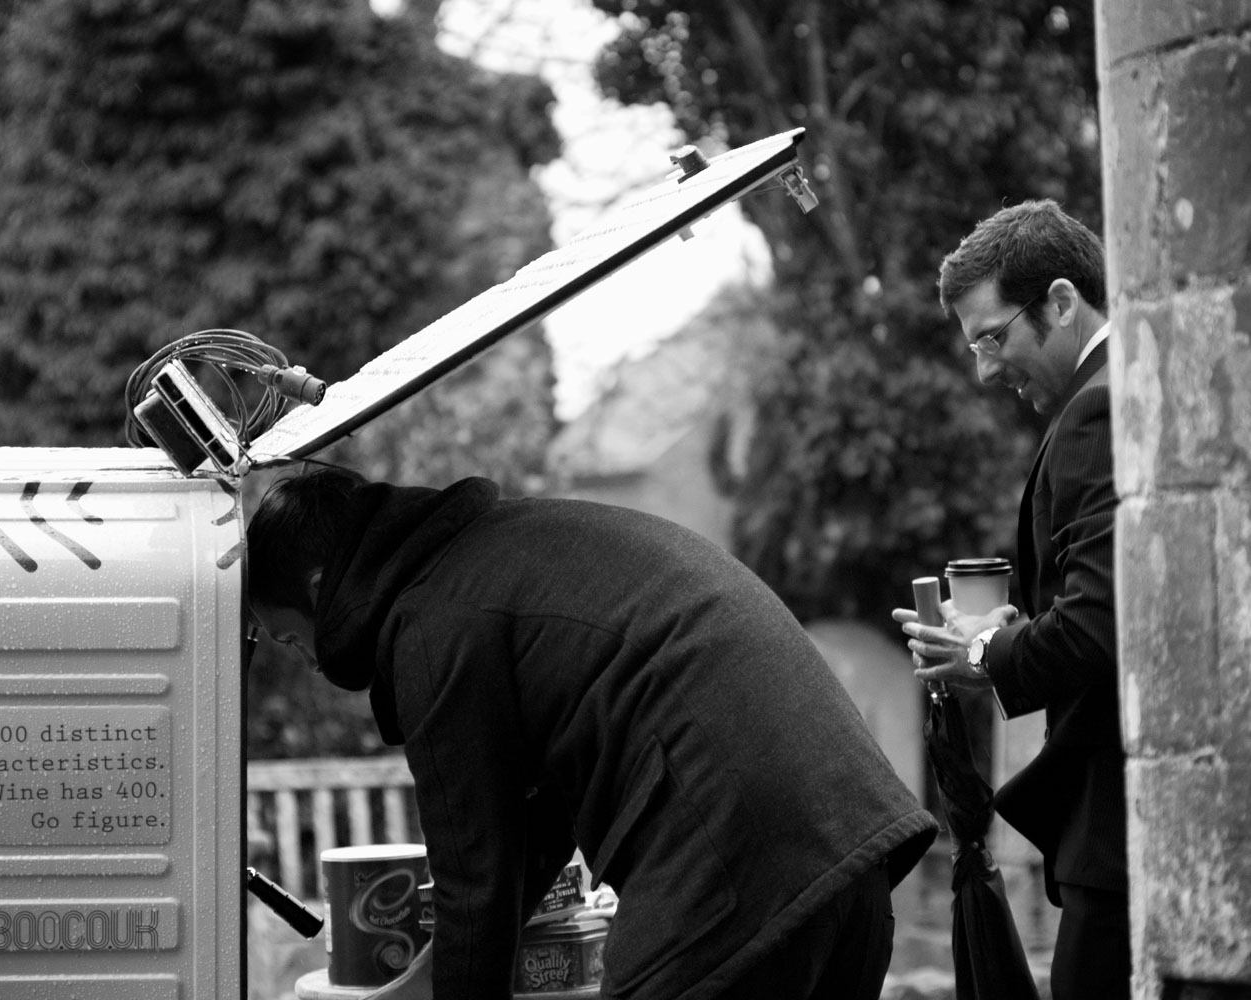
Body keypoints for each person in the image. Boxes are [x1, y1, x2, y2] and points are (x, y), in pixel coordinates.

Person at [243, 467, 937, 1000]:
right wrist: (432, 975)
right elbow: (530, 829)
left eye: (285, 637)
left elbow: (473, 877)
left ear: (316, 585)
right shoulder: (504, 556)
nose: (302, 660)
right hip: (850, 851)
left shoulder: (430, 623)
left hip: (735, 867)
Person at [893, 199, 1126, 1000]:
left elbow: (1100, 627)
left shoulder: (1099, 409)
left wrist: (982, 653)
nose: (987, 371)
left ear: (1062, 302)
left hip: (1118, 829)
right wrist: (1015, 634)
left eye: (994, 337)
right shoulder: (1112, 393)